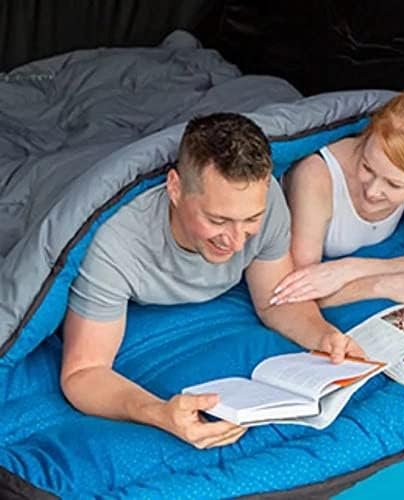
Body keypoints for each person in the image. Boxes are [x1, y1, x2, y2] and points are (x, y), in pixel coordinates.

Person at [60, 113, 364, 450]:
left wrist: (323, 336)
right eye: (218, 220)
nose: (236, 241)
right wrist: (158, 413)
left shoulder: (268, 204)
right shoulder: (116, 243)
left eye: (250, 220)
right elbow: (83, 373)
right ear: (175, 188)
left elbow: (274, 300)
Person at [271, 82, 404, 308]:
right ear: (367, 137)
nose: (372, 191)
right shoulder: (315, 175)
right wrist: (382, 286)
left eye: (393, 184)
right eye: (367, 167)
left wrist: (350, 269)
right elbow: (300, 288)